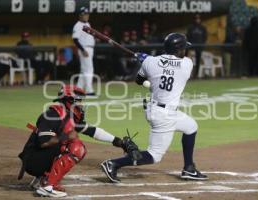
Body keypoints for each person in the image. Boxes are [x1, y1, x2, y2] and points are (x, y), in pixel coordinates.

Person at [101, 33, 208, 183]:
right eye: (184, 48)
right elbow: (171, 64)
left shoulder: (150, 62)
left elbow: (139, 81)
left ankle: (189, 168)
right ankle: (114, 164)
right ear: (178, 49)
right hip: (165, 116)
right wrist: (149, 60)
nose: (186, 50)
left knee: (191, 126)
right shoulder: (187, 64)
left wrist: (146, 61)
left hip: (156, 109)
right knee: (154, 155)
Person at [18, 84, 140, 197]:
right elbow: (44, 142)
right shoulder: (52, 115)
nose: (81, 104)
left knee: (70, 143)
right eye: (79, 101)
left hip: (37, 157)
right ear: (69, 101)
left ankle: (41, 180)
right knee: (76, 147)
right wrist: (65, 137)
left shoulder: (67, 116)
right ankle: (48, 186)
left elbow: (93, 131)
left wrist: (119, 142)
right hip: (33, 160)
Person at [72, 7, 95, 96]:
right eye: (84, 14)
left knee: (84, 70)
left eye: (87, 14)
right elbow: (75, 39)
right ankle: (89, 90)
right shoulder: (78, 25)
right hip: (84, 49)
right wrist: (82, 50)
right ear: (80, 15)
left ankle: (78, 89)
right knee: (89, 69)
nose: (86, 16)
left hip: (89, 48)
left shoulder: (88, 24)